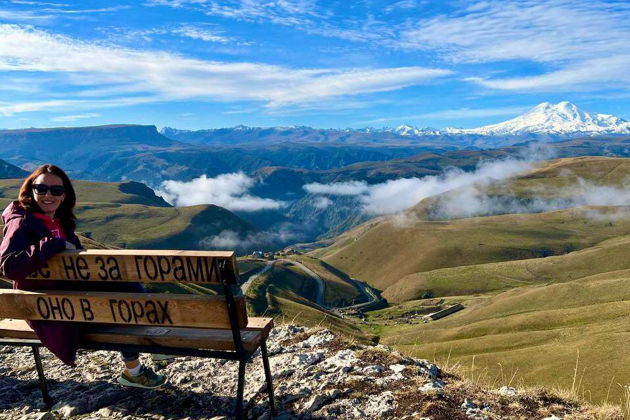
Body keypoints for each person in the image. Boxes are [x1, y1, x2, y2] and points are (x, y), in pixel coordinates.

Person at [0, 164, 166, 389]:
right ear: (31, 190)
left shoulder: (61, 221)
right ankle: (141, 363)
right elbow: (8, 266)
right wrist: (53, 243)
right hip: (49, 309)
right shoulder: (21, 222)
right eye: (42, 189)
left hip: (71, 300)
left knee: (125, 289)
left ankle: (139, 363)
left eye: (56, 190)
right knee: (123, 306)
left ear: (65, 194)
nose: (49, 195)